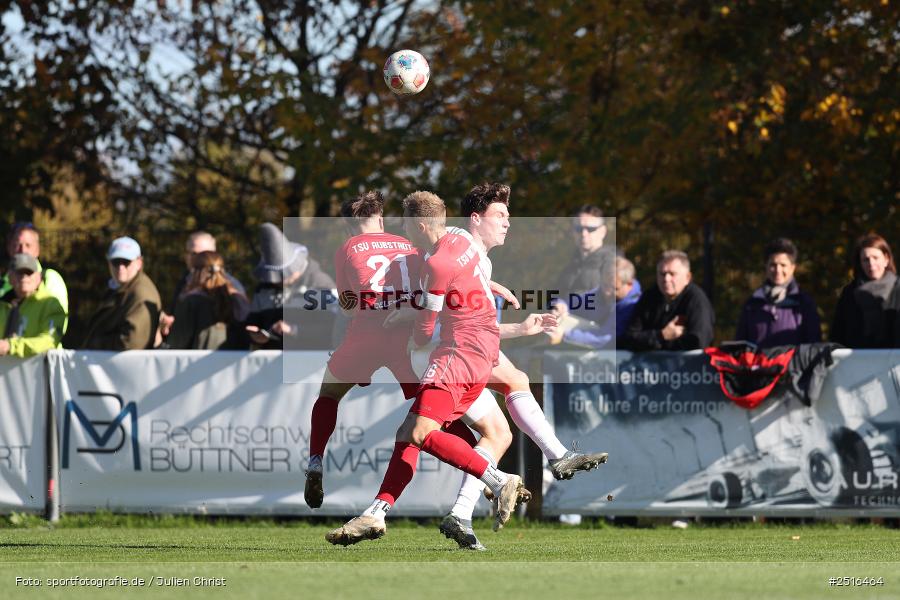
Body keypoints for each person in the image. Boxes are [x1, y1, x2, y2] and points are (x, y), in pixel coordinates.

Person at [325, 191, 527, 546]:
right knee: (417, 431)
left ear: (418, 225)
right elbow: (465, 274)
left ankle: (499, 480)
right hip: (477, 358)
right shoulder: (460, 241)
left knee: (420, 432)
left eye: (405, 223)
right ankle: (379, 513)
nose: (401, 230)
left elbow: (423, 330)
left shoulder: (437, 263)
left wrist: (408, 325)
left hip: (454, 357)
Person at [429, 183, 608, 550]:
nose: (508, 223)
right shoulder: (458, 239)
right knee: (418, 434)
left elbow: (478, 323)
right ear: (476, 219)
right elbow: (431, 255)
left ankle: (460, 514)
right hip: (447, 352)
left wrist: (522, 328)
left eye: (508, 216)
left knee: (499, 432)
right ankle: (557, 457)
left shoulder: (479, 257)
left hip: (462, 346)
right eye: (500, 215)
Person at [245, 223, 338, 350]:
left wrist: (294, 330)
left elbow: (332, 329)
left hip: (310, 358)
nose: (276, 282)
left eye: (281, 277)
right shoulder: (264, 288)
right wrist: (255, 336)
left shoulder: (321, 285)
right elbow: (253, 322)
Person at [620, 250, 715, 351]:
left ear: (687, 277)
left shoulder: (697, 301)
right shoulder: (649, 297)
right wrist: (662, 335)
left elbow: (698, 342)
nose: (666, 279)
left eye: (672, 274)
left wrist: (657, 343)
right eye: (662, 274)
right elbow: (629, 338)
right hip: (650, 361)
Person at [735, 238, 821, 347]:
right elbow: (740, 345)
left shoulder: (805, 304)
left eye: (783, 265)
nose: (778, 270)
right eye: (773, 265)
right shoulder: (752, 304)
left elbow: (813, 347)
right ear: (766, 266)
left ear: (792, 268)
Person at [159, 231, 246, 338]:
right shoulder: (184, 282)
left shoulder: (230, 288)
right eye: (194, 254)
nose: (198, 259)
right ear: (186, 255)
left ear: (214, 255)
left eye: (204, 254)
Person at [81, 236, 162, 350]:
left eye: (126, 262)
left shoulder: (141, 294)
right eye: (116, 262)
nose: (120, 267)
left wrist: (95, 344)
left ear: (139, 263)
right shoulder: (117, 288)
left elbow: (131, 342)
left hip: (123, 361)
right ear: (108, 262)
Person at [549, 256, 642, 349]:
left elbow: (605, 338)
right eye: (604, 285)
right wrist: (559, 305)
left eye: (614, 288)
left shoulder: (633, 306)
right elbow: (571, 303)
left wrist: (565, 335)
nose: (607, 292)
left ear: (629, 285)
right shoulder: (599, 293)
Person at [166, 251, 250, 349]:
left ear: (196, 273)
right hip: (235, 358)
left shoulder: (192, 302)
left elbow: (176, 344)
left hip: (199, 358)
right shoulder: (238, 299)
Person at [831, 234, 899, 348]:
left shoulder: (897, 290)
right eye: (866, 260)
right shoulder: (849, 293)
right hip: (855, 357)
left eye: (875, 258)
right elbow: (838, 333)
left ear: (886, 259)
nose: (871, 263)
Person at [1, 222, 69, 334]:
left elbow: (57, 326)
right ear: (9, 248)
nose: (23, 250)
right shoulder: (3, 283)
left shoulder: (49, 278)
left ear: (37, 249)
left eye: (28, 245)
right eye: (17, 245)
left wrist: (16, 342)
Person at [0, 254, 66, 357]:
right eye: (19, 273)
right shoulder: (2, 305)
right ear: (10, 277)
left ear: (38, 277)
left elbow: (49, 341)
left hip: (42, 366)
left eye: (29, 272)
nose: (24, 277)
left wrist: (10, 346)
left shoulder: (50, 304)